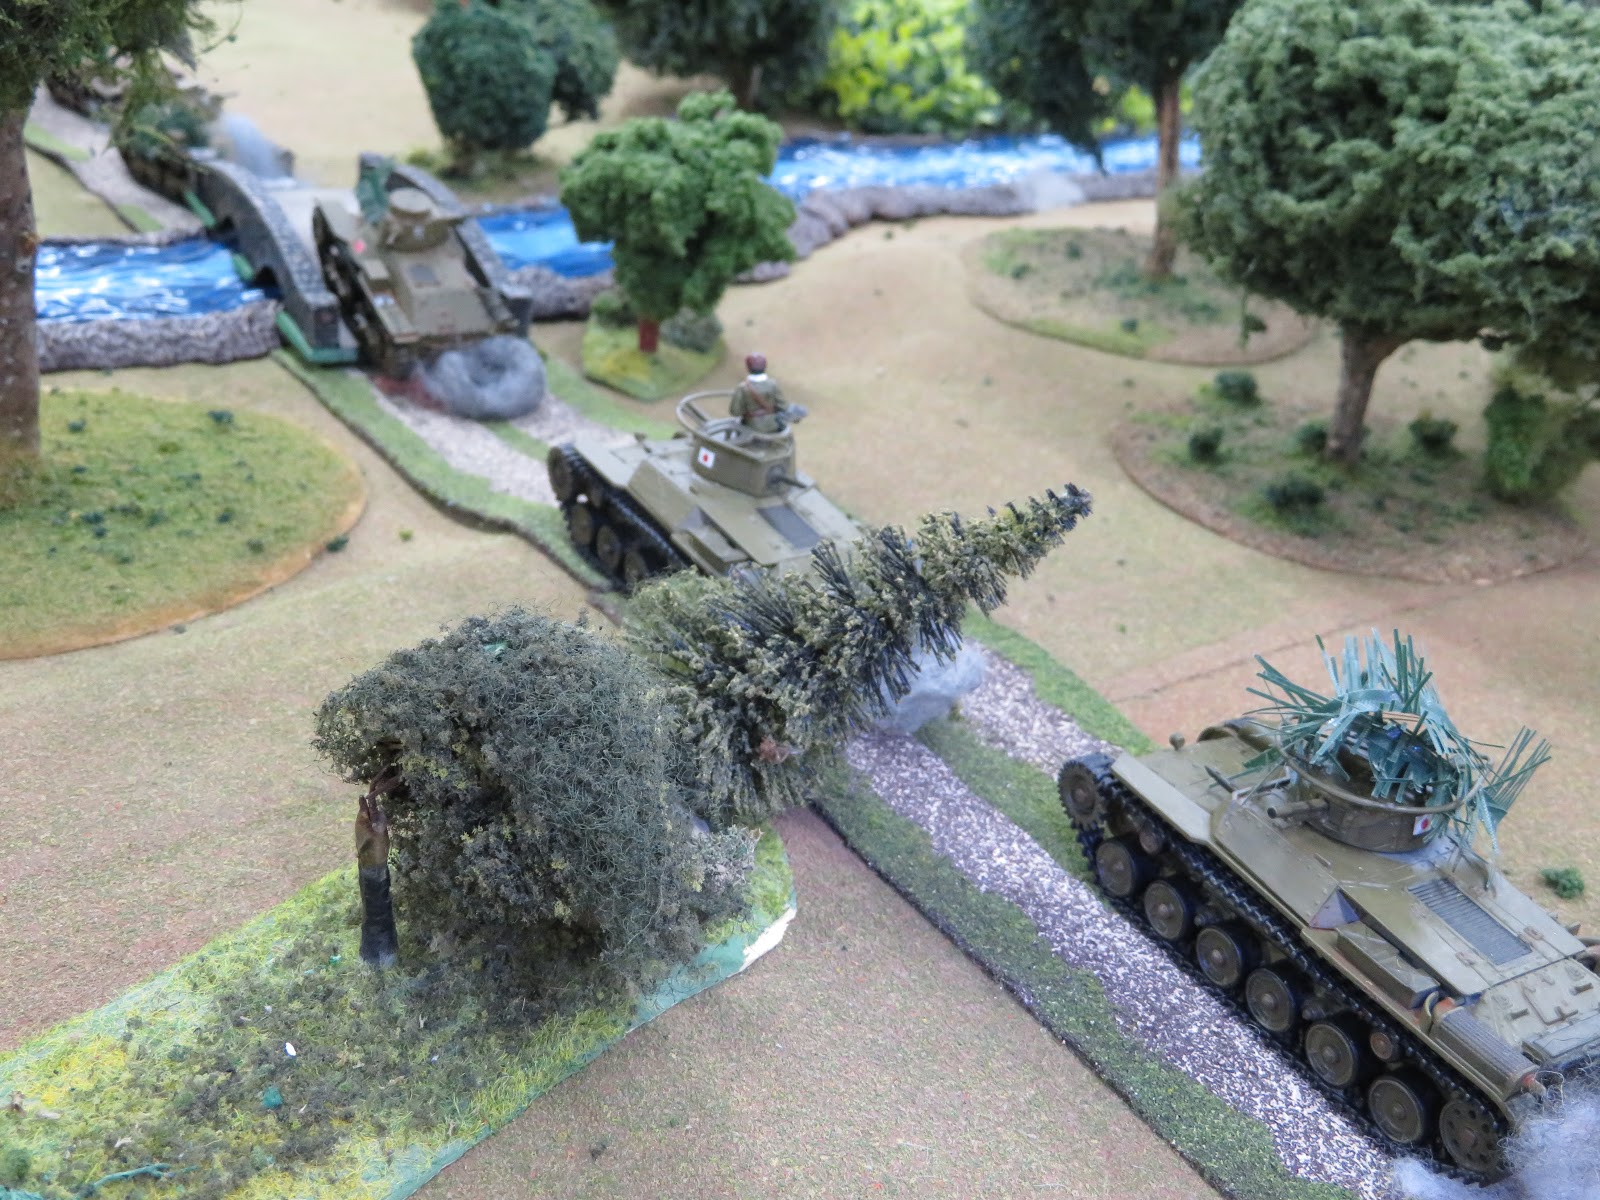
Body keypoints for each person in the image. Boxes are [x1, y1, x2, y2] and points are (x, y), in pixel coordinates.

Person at [729, 353, 805, 433]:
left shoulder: (742, 388)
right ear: (765, 367)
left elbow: (735, 411)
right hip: (772, 426)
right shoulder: (773, 385)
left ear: (748, 368)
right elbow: (783, 406)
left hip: (750, 428)